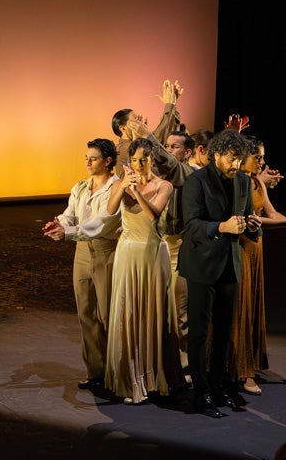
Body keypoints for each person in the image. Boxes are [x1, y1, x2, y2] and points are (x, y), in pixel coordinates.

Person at [177, 128, 260, 418]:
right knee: (199, 334)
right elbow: (191, 227)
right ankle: (201, 394)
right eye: (230, 158)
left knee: (224, 332)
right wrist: (221, 227)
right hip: (201, 265)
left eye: (239, 159)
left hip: (229, 264)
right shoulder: (196, 182)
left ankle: (217, 385)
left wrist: (253, 226)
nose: (235, 165)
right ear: (216, 154)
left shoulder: (243, 182)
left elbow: (250, 218)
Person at [230, 135, 286, 396]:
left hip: (255, 250)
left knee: (251, 306)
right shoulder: (234, 183)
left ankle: (250, 363)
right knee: (239, 309)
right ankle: (241, 371)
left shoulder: (257, 183)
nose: (263, 162)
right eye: (259, 157)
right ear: (244, 157)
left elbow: (270, 214)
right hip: (239, 248)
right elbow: (248, 219)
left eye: (263, 157)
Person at [103, 137, 178, 404]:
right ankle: (129, 379)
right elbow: (110, 210)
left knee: (151, 315)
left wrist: (135, 192)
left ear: (153, 159)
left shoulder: (164, 185)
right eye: (134, 160)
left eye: (144, 159)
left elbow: (153, 215)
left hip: (151, 254)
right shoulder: (125, 183)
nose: (139, 164)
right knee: (129, 313)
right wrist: (122, 185)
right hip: (127, 253)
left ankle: (152, 378)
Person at [42, 138, 121, 390]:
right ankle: (95, 371)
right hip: (82, 253)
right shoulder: (81, 187)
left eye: (93, 158)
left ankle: (116, 373)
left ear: (108, 161)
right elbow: (70, 213)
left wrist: (67, 233)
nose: (87, 162)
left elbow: (100, 224)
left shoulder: (117, 188)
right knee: (86, 312)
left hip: (106, 251)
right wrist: (60, 224)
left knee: (108, 314)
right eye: (86, 157)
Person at [159, 129, 195, 377]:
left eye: (174, 147)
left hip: (180, 247)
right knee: (158, 309)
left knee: (181, 311)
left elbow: (172, 167)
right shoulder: (158, 177)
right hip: (159, 245)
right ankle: (163, 366)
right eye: (167, 146)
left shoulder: (191, 174)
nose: (169, 151)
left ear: (188, 152)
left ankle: (187, 367)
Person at [110, 79, 187, 185]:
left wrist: (172, 106)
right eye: (135, 120)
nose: (139, 122)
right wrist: (170, 105)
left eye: (138, 119)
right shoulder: (123, 148)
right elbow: (158, 139)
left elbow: (159, 138)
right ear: (122, 129)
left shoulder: (136, 142)